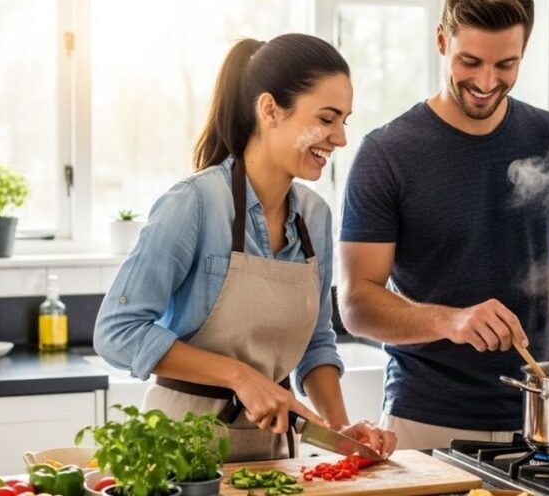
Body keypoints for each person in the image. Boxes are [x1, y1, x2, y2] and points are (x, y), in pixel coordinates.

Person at [338, 0, 549, 450]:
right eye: (470, 61)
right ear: (442, 41)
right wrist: (451, 321)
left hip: (541, 419)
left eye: (506, 65)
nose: (487, 81)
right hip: (424, 421)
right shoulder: (388, 153)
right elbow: (357, 303)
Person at [95, 33, 397, 462]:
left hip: (273, 457)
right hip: (178, 453)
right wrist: (240, 377)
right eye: (327, 118)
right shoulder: (195, 204)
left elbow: (315, 341)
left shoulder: (316, 217)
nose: (340, 138)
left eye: (344, 121)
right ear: (270, 109)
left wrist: (339, 430)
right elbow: (116, 332)